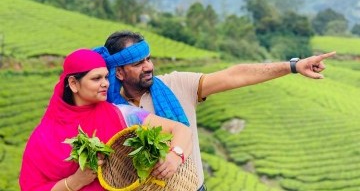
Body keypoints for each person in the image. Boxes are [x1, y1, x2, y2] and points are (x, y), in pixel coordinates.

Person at [94, 30, 336, 191]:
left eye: (148, 59)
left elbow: (236, 74)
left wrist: (293, 66)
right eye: (138, 63)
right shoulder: (109, 108)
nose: (148, 67)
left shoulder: (176, 85)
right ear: (119, 72)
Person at [19, 49, 193, 191]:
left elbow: (181, 130)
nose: (105, 83)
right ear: (73, 84)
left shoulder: (122, 114)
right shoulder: (43, 137)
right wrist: (75, 181)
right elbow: (33, 187)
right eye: (96, 78)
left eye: (105, 77)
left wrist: (175, 156)